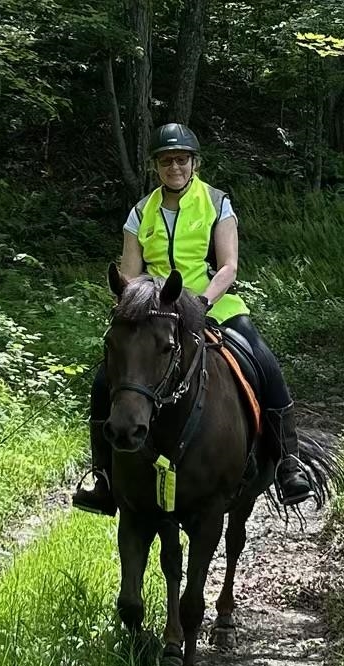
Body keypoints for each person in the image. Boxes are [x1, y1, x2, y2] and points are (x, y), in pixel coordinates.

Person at [73, 122, 312, 515]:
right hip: (153, 312)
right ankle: (103, 475)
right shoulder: (140, 213)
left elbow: (228, 267)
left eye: (181, 160)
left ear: (194, 162)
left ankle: (288, 460)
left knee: (264, 361)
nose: (175, 167)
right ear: (156, 167)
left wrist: (199, 303)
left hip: (211, 303)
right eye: (167, 161)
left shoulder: (216, 203)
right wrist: (136, 304)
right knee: (105, 378)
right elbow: (131, 272)